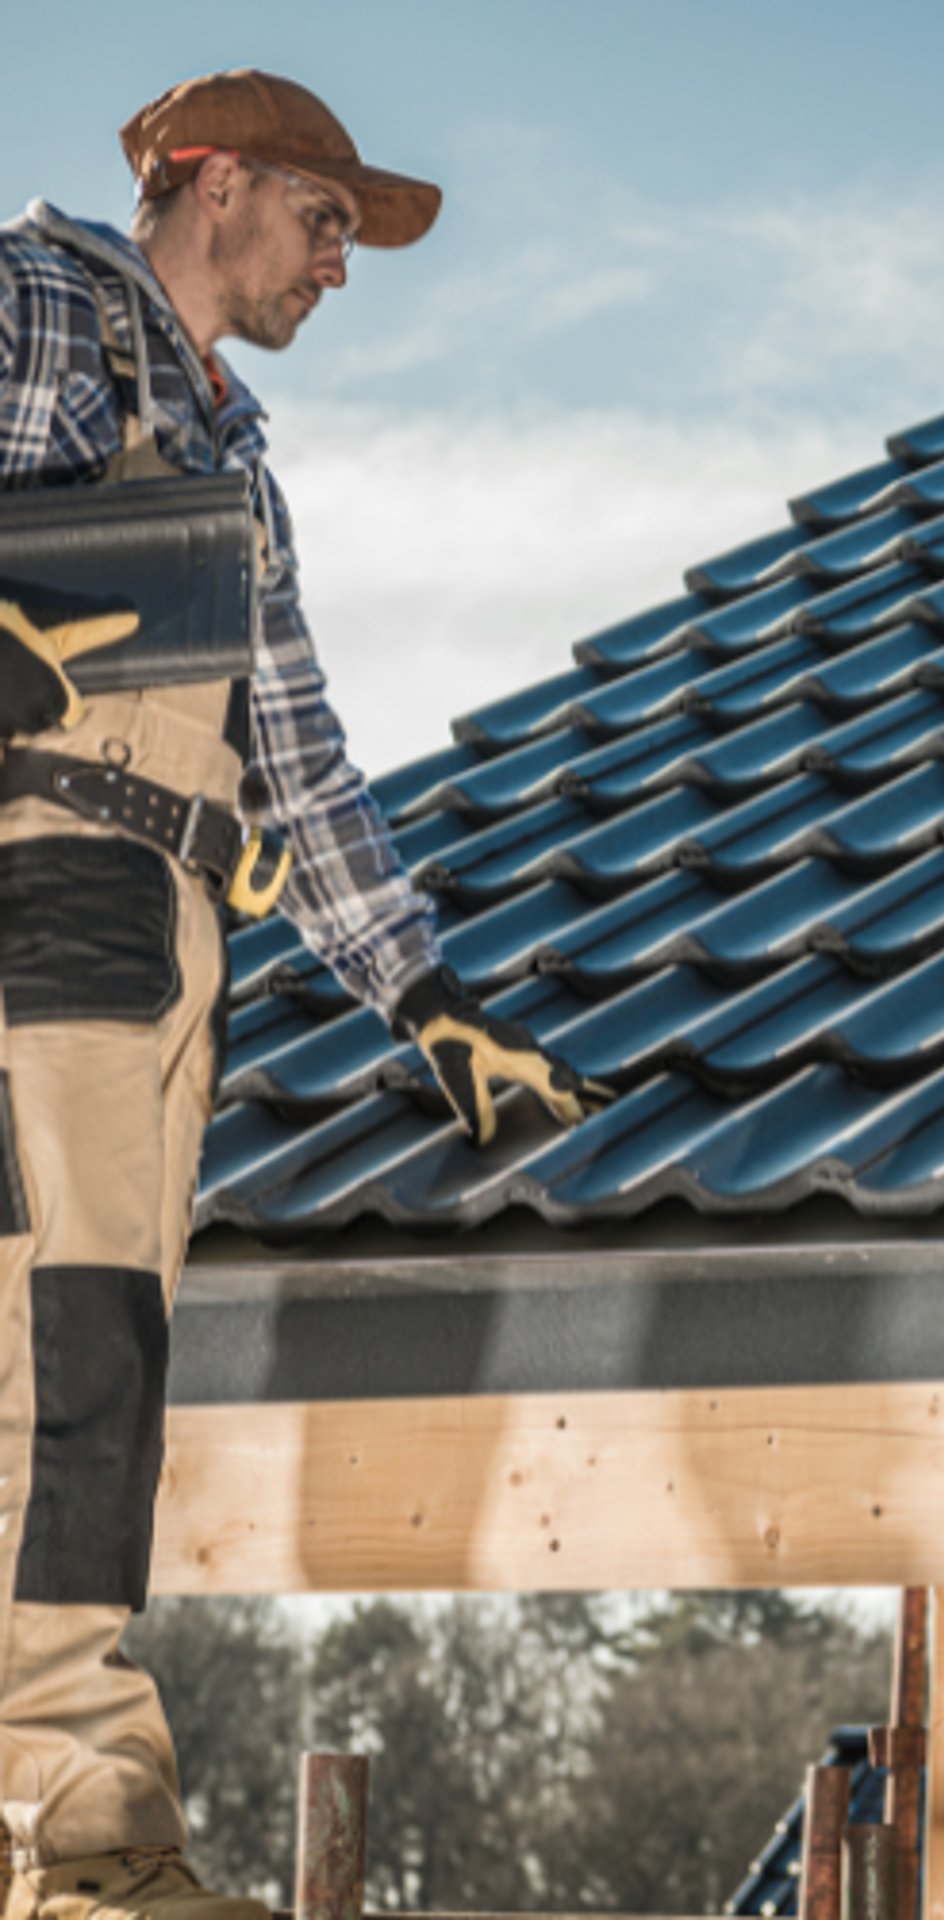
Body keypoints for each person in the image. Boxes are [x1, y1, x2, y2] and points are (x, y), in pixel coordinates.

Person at [0, 71, 607, 1920]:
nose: (344, 266)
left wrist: (425, 995)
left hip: (170, 929)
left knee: (104, 1367)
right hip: (49, 891)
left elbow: (305, 761)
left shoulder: (232, 460)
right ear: (215, 182)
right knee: (65, 1353)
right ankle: (76, 1840)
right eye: (327, 221)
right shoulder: (45, 307)